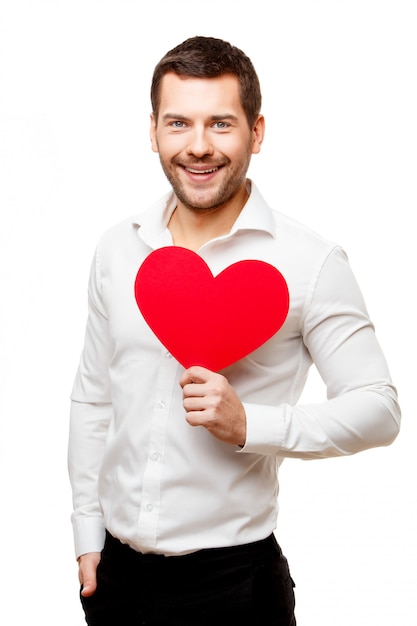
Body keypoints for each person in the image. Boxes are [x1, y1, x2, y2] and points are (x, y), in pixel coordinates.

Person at [68, 36, 401, 626]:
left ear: (257, 131)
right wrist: (87, 532)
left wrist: (251, 424)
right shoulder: (117, 248)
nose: (198, 147)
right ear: (153, 131)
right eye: (178, 123)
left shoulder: (311, 261)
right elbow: (94, 396)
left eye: (221, 124)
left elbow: (379, 409)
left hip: (235, 589)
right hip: (115, 582)